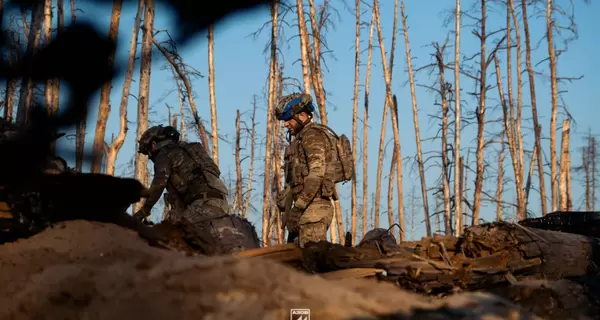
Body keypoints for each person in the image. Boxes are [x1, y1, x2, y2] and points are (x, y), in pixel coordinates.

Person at [134, 125, 259, 254]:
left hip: (201, 205)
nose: (149, 157)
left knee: (174, 239)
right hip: (220, 202)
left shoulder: (163, 155)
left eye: (148, 152)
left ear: (154, 144)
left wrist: (143, 212)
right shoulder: (191, 150)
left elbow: (158, 184)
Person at [275, 92, 353, 248]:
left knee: (312, 263)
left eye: (288, 119)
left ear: (302, 115)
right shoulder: (301, 138)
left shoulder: (312, 136)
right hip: (306, 210)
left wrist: (298, 208)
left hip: (314, 210)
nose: (285, 124)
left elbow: (316, 174)